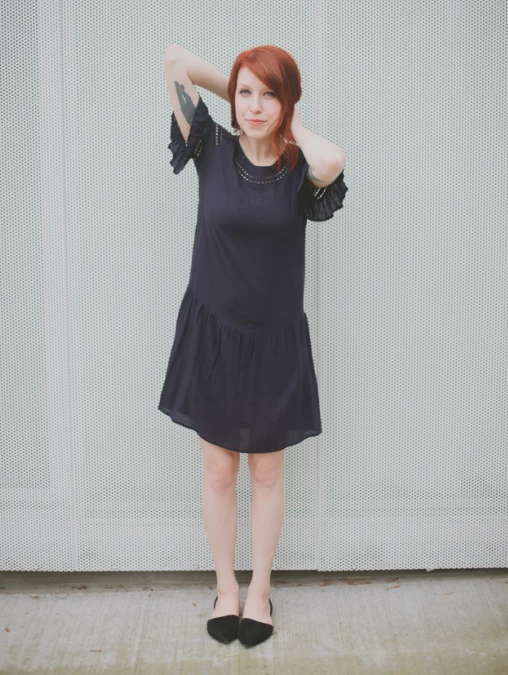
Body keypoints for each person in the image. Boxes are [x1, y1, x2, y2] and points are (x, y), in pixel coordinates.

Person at [158, 44, 348, 646]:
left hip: (273, 343)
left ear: (287, 101)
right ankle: (226, 588)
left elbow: (334, 159)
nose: (255, 105)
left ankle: (260, 592)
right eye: (246, 92)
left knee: (266, 472)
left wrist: (282, 116)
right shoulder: (210, 146)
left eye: (269, 93)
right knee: (219, 473)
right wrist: (233, 90)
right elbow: (174, 60)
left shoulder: (298, 167)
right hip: (212, 333)